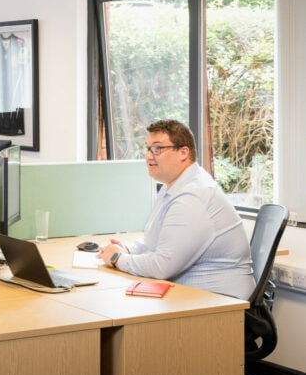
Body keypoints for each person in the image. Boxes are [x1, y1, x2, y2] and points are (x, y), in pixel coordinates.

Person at [97, 119, 254, 299]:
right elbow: (154, 240)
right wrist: (127, 249)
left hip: (222, 305)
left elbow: (162, 266)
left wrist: (118, 259)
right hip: (192, 296)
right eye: (147, 149)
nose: (149, 156)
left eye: (157, 149)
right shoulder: (173, 186)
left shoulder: (193, 196)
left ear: (183, 152)